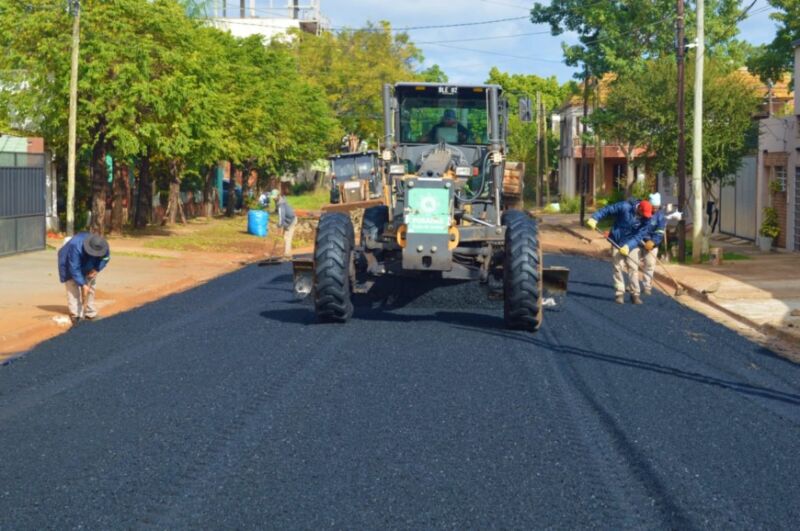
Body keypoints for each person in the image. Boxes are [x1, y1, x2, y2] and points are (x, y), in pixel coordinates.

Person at [586, 198, 653, 304]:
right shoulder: (625, 206)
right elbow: (607, 210)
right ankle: (619, 293)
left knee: (633, 268)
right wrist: (595, 218)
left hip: (632, 243)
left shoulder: (647, 218)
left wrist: (628, 246)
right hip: (616, 240)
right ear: (639, 208)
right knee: (617, 267)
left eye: (646, 215)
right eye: (643, 213)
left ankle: (635, 294)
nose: (644, 216)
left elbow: (639, 235)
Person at [57, 232, 111, 323]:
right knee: (72, 285)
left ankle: (90, 313)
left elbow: (105, 258)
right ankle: (76, 315)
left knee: (91, 285)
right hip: (68, 261)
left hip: (89, 262)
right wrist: (82, 284)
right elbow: (74, 268)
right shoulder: (75, 246)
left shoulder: (102, 245)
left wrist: (97, 269)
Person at [639, 192, 667, 295]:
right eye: (653, 207)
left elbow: (660, 232)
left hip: (651, 244)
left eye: (657, 207)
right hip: (638, 241)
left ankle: (647, 286)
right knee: (632, 264)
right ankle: (633, 285)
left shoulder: (660, 216)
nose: (655, 209)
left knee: (649, 265)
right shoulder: (642, 212)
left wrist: (653, 242)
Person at [271, 189, 297, 258]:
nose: (273, 199)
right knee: (286, 236)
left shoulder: (281, 204)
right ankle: (287, 252)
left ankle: (287, 254)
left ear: (278, 196)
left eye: (274, 198)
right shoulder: (280, 201)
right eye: (273, 198)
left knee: (287, 237)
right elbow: (278, 211)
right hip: (287, 220)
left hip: (291, 221)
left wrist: (279, 225)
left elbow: (281, 217)